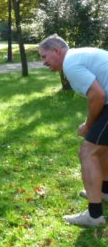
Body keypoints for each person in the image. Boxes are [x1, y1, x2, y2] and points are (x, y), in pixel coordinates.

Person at [39, 34, 108, 227]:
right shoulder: (78, 56)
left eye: (44, 57)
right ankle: (104, 191)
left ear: (56, 51)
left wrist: (88, 125)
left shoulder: (70, 63)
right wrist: (91, 124)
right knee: (101, 147)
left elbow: (98, 95)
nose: (43, 62)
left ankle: (94, 216)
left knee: (88, 152)